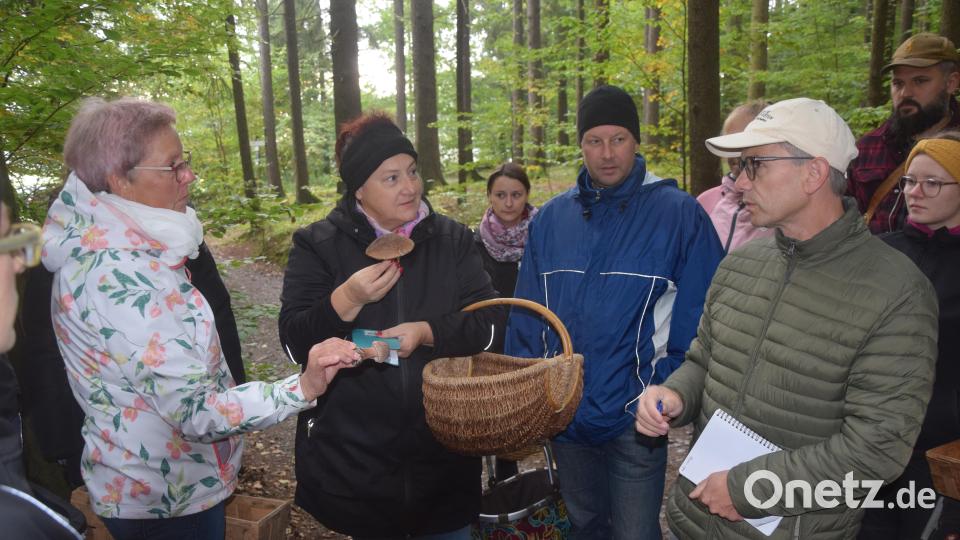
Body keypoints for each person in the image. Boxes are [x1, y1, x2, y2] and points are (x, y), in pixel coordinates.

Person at [41, 97, 360, 539]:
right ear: (119, 179)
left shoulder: (127, 248)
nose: (189, 175)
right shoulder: (120, 276)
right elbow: (194, 413)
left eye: (184, 160)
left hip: (159, 481)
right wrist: (302, 386)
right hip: (162, 498)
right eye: (172, 167)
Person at [635, 98, 939, 539]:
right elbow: (704, 362)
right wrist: (675, 395)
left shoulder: (897, 293)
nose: (738, 183)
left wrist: (749, 490)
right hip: (695, 520)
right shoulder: (740, 264)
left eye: (754, 164)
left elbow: (876, 450)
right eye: (738, 167)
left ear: (813, 173)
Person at [504, 85, 724, 539]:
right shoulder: (551, 220)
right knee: (584, 525)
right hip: (566, 414)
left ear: (636, 141)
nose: (607, 154)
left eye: (619, 138)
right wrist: (528, 393)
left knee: (635, 531)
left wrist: (669, 383)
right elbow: (528, 312)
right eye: (594, 140)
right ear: (580, 144)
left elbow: (702, 313)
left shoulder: (678, 214)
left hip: (636, 414)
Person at [277, 112, 506, 539]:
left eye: (413, 172)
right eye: (391, 177)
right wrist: (347, 300)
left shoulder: (451, 241)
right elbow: (294, 343)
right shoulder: (319, 245)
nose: (410, 187)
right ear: (359, 189)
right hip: (355, 469)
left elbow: (492, 324)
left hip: (445, 465)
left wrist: (428, 332)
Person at [858, 131, 960, 539]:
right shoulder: (879, 252)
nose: (915, 192)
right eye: (910, 181)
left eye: (932, 183)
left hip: (937, 452)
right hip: (870, 442)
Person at [0, 176, 83, 539]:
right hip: (76, 430)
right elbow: (43, 354)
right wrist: (62, 443)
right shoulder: (51, 268)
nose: (18, 264)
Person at [848, 32, 960, 234]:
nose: (905, 93)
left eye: (920, 81)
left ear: (951, 83)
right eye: (898, 83)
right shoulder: (868, 147)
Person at [697, 101, 774, 252]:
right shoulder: (706, 201)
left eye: (740, 143)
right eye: (728, 143)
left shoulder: (782, 206)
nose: (733, 155)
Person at [474, 162, 538, 298]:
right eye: (500, 195)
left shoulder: (543, 235)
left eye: (516, 195)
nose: (509, 203)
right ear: (489, 196)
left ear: (527, 195)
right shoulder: (475, 243)